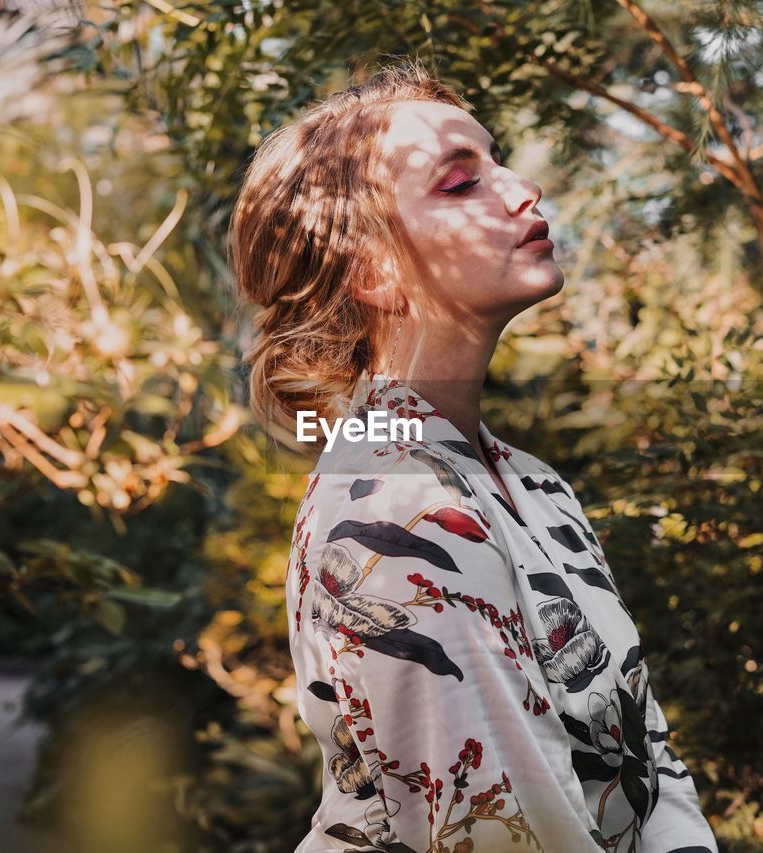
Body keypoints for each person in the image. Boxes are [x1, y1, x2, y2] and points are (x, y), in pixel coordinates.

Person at [230, 57, 718, 853]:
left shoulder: (535, 484)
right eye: (461, 184)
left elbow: (648, 760)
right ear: (375, 271)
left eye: (498, 158)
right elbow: (506, 832)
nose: (522, 188)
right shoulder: (393, 503)